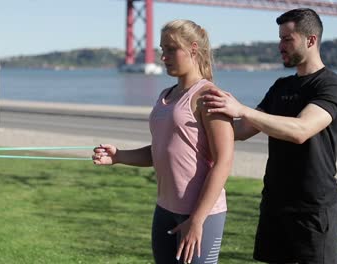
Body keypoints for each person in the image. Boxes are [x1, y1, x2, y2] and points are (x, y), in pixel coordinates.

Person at [202, 8, 337, 264]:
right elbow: (243, 130)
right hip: (274, 203)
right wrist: (198, 126)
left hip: (312, 208)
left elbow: (301, 130)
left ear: (311, 40)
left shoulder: (330, 85)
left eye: (287, 40)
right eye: (280, 39)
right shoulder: (281, 87)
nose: (280, 46)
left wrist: (242, 110)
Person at [92, 20, 234, 264]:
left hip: (202, 214)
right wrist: (118, 157)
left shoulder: (209, 97)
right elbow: (161, 151)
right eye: (162, 49)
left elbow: (224, 161)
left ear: (192, 49)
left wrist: (197, 219)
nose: (163, 57)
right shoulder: (165, 97)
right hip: (165, 210)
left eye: (170, 49)